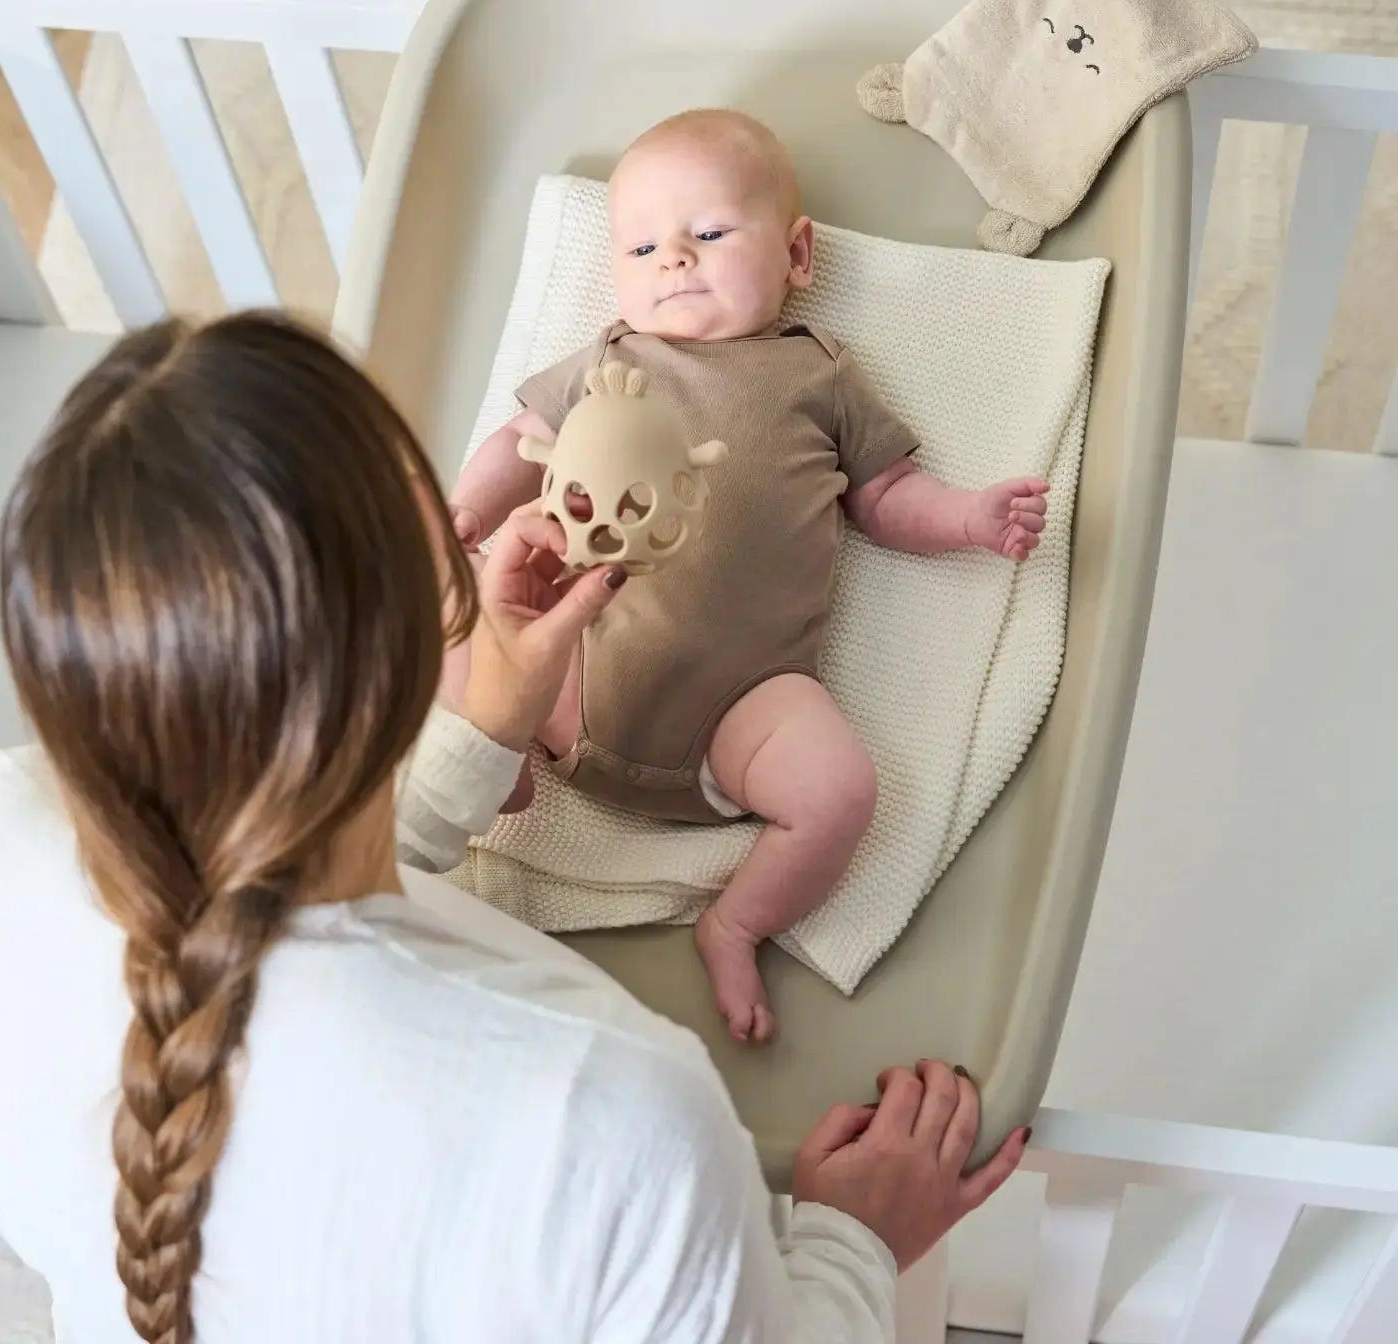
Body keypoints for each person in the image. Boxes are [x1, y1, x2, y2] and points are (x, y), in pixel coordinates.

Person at [0, 312, 1027, 1344]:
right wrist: (853, 1245)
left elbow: (286, 881)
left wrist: (484, 734)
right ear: (409, 643)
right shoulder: (613, 1123)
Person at [446, 109, 1050, 1041]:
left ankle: (736, 924)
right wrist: (467, 517)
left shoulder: (819, 376)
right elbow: (520, 442)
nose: (674, 259)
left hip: (739, 711)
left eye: (710, 233)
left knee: (840, 790)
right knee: (449, 615)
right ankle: (501, 761)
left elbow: (888, 496)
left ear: (797, 255)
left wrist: (968, 517)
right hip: (569, 666)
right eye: (642, 248)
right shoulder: (612, 358)